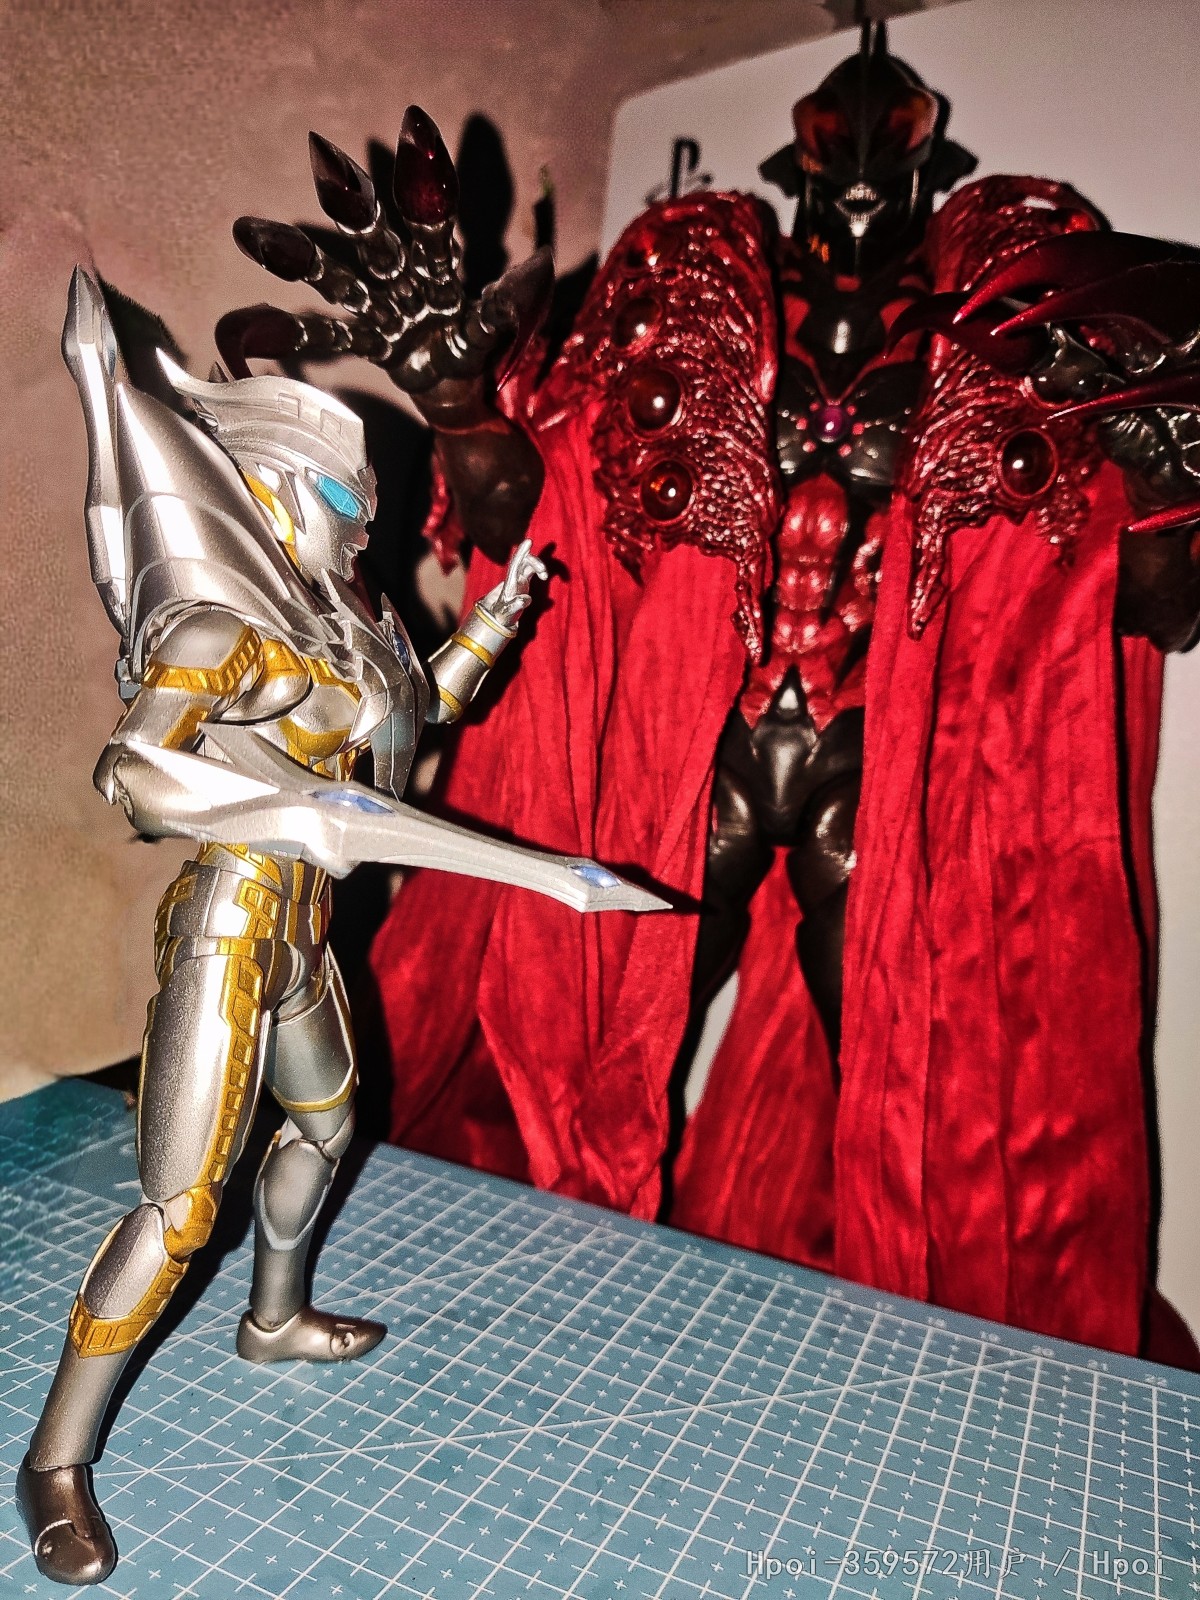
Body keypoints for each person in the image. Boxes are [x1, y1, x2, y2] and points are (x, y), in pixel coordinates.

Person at [226, 26, 1200, 1362]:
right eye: (832, 141)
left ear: (936, 157)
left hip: (870, 760)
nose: (861, 167)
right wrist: (458, 403)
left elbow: (1154, 612)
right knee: (596, 1045)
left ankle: (951, 1360)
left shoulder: (1019, 325)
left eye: (892, 143)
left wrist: (1172, 487)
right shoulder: (684, 289)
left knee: (925, 1100)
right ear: (795, 154)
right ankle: (541, 1305)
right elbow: (535, 523)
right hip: (713, 753)